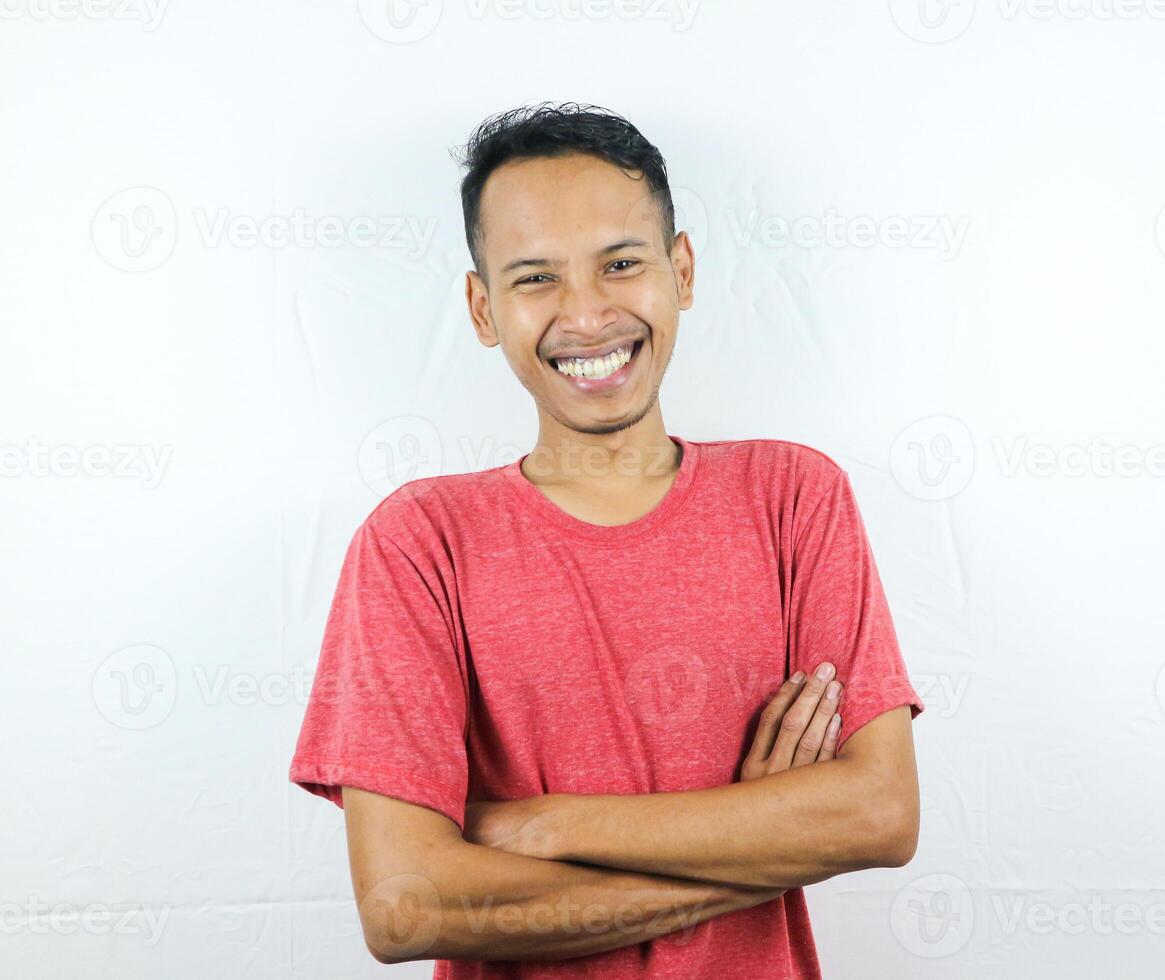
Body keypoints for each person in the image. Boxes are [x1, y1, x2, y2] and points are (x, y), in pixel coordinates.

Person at [289, 101, 925, 978]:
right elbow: (406, 905)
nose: (586, 315)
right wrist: (757, 838)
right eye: (535, 278)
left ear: (682, 270)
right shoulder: (418, 542)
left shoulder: (793, 497)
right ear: (482, 308)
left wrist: (546, 825)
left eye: (619, 264)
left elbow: (878, 815)